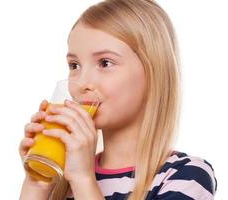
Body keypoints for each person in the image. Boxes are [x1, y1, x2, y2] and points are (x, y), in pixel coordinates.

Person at [19, 0, 217, 199]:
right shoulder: (65, 178)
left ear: (153, 72)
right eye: (74, 65)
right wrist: (36, 185)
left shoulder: (186, 176)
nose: (83, 82)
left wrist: (83, 180)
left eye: (105, 63)